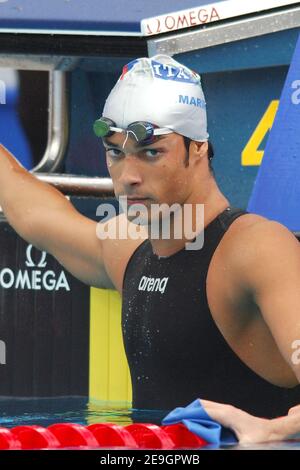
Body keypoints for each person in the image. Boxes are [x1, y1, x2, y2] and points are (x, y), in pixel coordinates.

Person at [1, 55, 300, 444]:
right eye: (115, 152)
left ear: (197, 149)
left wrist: (272, 431)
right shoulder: (129, 250)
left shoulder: (255, 249)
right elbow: (37, 215)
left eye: (151, 152)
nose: (128, 177)